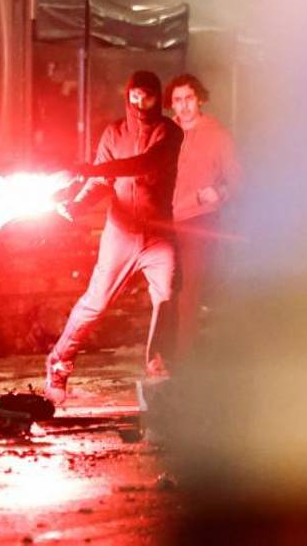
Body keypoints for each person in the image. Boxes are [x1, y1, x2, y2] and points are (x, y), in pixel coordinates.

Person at [46, 71, 184, 403]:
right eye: (135, 95)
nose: (140, 102)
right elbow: (101, 182)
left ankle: (159, 372)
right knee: (95, 303)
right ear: (128, 95)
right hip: (121, 234)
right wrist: (78, 205)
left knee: (167, 297)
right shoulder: (114, 132)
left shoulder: (170, 132)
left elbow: (143, 164)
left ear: (158, 98)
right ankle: (58, 365)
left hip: (159, 237)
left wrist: (90, 169)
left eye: (148, 96)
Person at [165, 74, 241, 353]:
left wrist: (219, 193)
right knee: (164, 290)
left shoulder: (217, 134)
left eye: (188, 98)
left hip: (199, 220)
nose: (183, 105)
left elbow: (237, 180)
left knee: (189, 291)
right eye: (177, 100)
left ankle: (183, 357)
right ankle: (162, 353)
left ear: (199, 99)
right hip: (164, 220)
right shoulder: (164, 133)